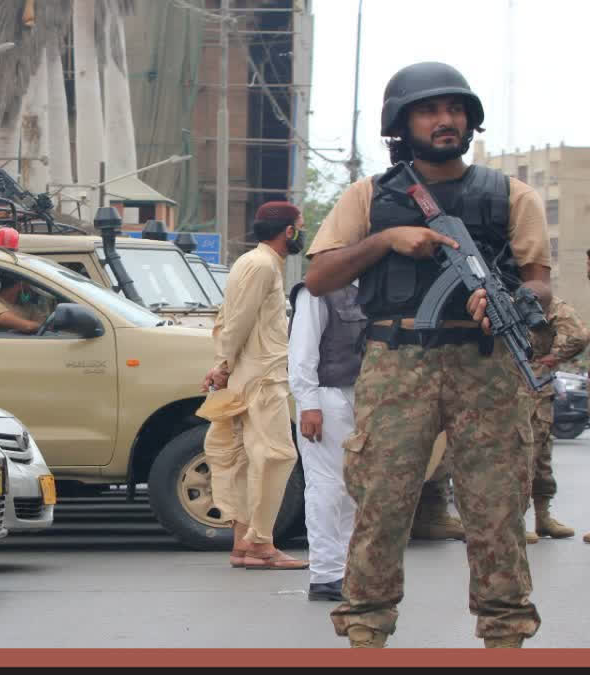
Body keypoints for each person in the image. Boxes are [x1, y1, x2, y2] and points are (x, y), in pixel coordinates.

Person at [304, 61, 549, 648]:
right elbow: (318, 277)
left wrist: (509, 296)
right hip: (397, 362)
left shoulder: (512, 195)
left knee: (495, 512)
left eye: (455, 110)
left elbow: (540, 282)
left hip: (485, 364)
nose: (446, 121)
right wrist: (387, 240)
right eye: (430, 110)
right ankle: (366, 631)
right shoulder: (368, 196)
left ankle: (505, 635)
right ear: (401, 122)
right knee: (382, 506)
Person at [200, 201, 308, 571]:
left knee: (244, 459)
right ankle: (261, 544)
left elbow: (228, 318)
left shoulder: (252, 263)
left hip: (250, 376)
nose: (302, 233)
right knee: (276, 456)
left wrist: (223, 366)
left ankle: (242, 545)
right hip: (261, 378)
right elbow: (238, 321)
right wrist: (221, 365)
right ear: (289, 232)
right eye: (301, 226)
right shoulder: (261, 265)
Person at [288, 280, 361, 601]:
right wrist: (308, 404)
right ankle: (325, 574)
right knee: (326, 485)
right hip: (326, 397)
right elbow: (301, 351)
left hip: (358, 397)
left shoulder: (368, 287)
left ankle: (344, 568)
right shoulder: (317, 289)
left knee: (351, 488)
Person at [522, 296, 588, 543]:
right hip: (533, 384)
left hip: (526, 382)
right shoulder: (541, 298)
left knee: (533, 454)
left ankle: (540, 517)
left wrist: (552, 358)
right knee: (531, 453)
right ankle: (526, 519)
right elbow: (578, 335)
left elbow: (578, 335)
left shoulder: (538, 298)